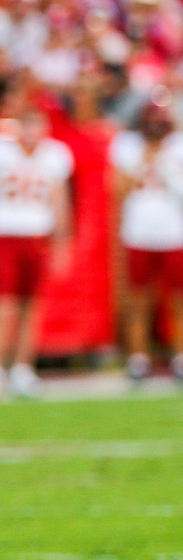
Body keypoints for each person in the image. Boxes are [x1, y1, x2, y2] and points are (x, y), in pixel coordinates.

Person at [0, 102, 72, 397]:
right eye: (26, 124)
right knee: (3, 303)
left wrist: (62, 243)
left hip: (37, 235)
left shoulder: (54, 155)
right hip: (4, 233)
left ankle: (22, 367)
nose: (31, 132)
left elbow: (59, 201)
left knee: (32, 305)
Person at [109, 97, 183, 381]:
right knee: (138, 299)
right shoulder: (128, 146)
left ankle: (179, 356)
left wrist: (166, 165)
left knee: (178, 300)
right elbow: (119, 190)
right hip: (138, 232)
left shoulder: (177, 147)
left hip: (174, 232)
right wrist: (145, 160)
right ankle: (137, 357)